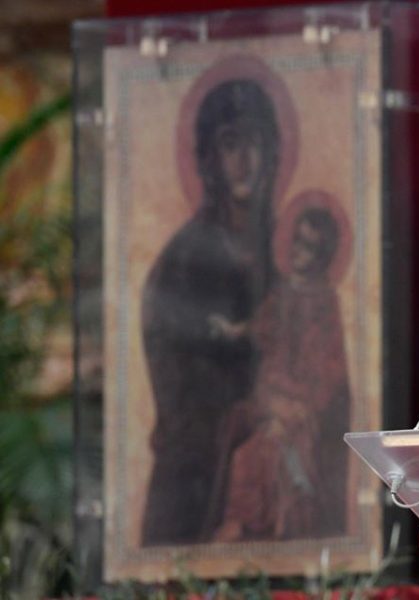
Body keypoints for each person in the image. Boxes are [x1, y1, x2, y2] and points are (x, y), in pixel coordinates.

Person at [140, 76, 281, 545]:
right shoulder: (186, 258)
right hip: (195, 482)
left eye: (256, 143)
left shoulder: (287, 248)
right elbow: (178, 381)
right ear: (210, 160)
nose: (247, 161)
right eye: (231, 144)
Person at [207, 196, 351, 542]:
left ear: (324, 255)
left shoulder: (324, 301)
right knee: (239, 438)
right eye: (299, 242)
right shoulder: (283, 292)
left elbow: (329, 368)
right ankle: (240, 524)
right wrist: (232, 330)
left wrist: (299, 401)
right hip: (270, 395)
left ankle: (259, 525)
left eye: (312, 248)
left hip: (300, 405)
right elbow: (261, 326)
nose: (302, 253)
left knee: (258, 453)